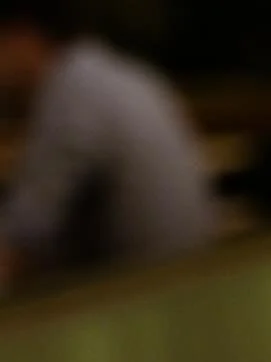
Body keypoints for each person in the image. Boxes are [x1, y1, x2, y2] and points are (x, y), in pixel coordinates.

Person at [0, 0, 215, 286]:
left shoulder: (74, 94)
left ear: (22, 35)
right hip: (192, 279)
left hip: (147, 296)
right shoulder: (118, 74)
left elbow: (21, 239)